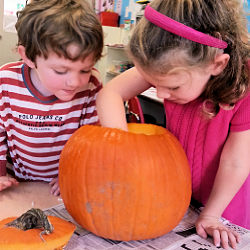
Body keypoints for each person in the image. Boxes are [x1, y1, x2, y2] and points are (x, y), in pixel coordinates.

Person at [96, 0, 250, 248]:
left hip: (224, 204)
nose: (161, 95)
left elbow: (236, 162)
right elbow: (109, 94)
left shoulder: (246, 86)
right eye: (153, 82)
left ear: (217, 64)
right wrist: (120, 151)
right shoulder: (171, 65)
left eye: (172, 87)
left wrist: (211, 215)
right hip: (178, 194)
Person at [0, 0, 103, 196]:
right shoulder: (5, 82)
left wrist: (73, 174)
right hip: (17, 183)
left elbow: (92, 142)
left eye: (85, 69)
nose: (74, 82)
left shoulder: (91, 86)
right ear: (28, 56)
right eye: (61, 70)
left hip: (65, 186)